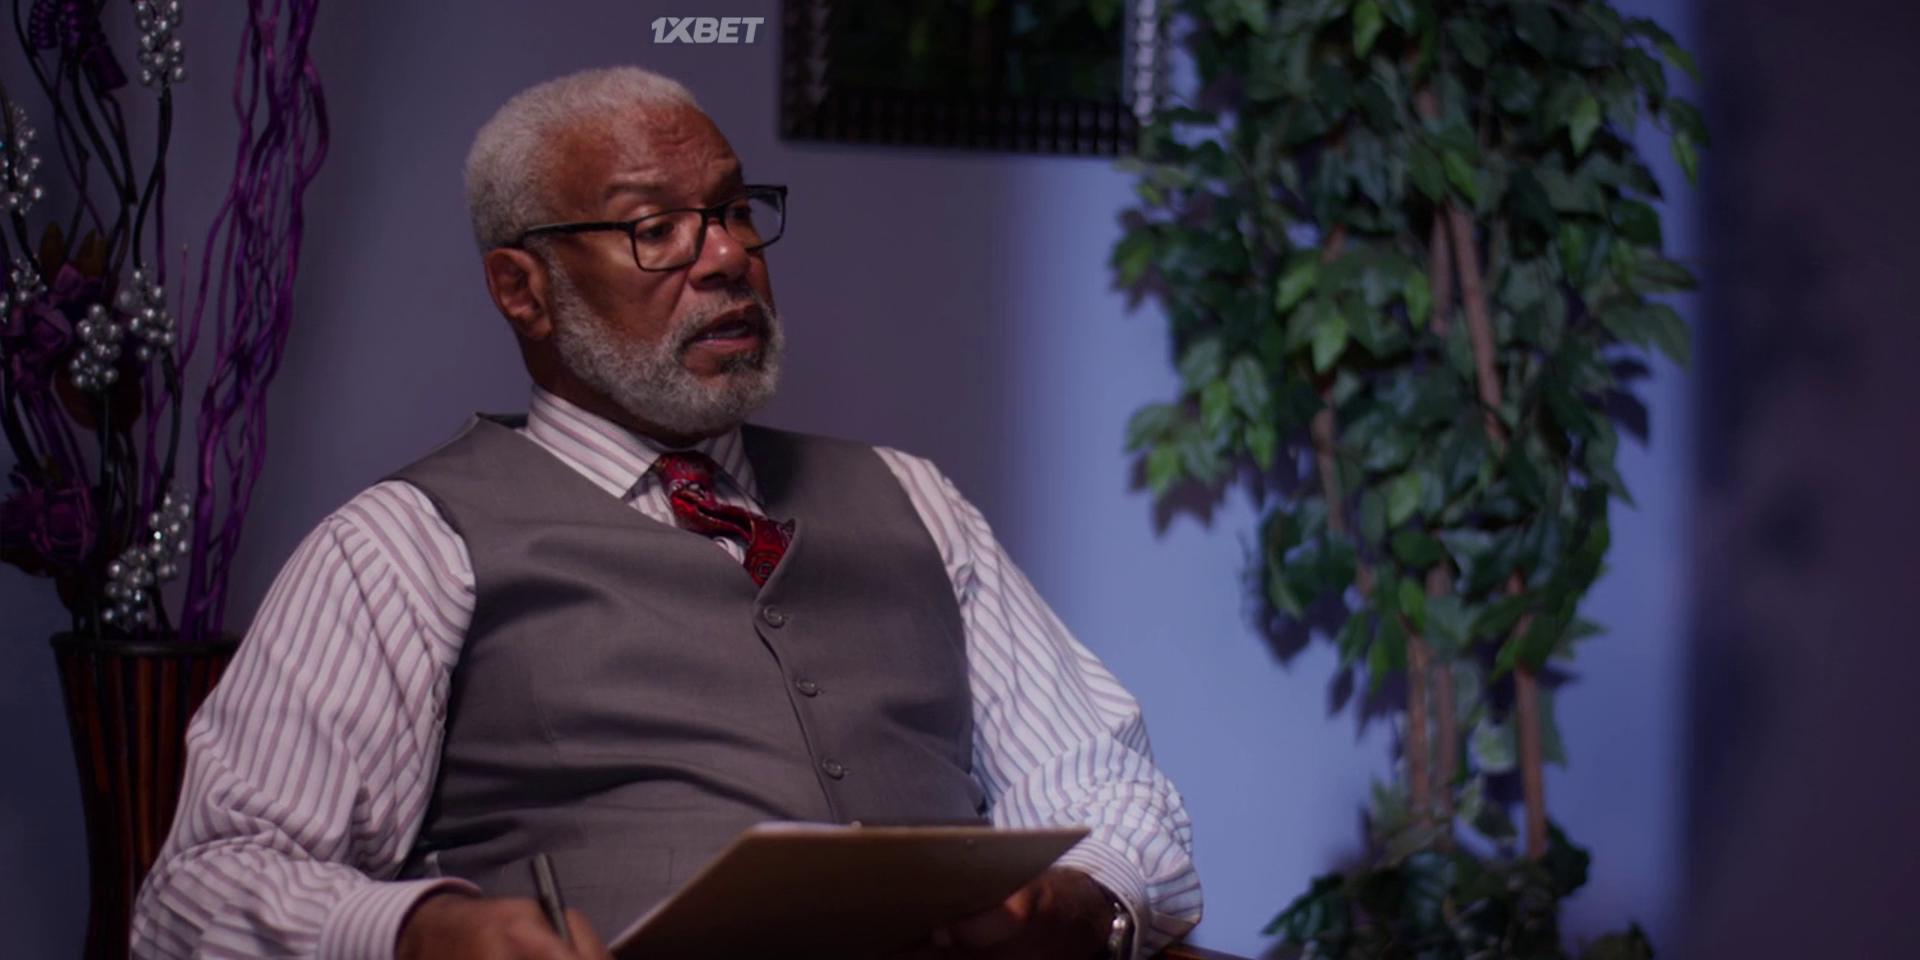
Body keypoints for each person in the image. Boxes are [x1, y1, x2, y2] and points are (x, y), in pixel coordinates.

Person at [131, 66, 1201, 960]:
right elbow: (198, 893)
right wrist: (418, 931)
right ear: (522, 289)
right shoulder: (402, 548)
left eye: (734, 212)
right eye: (655, 229)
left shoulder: (915, 500)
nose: (729, 257)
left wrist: (1089, 906)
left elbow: (1104, 780)